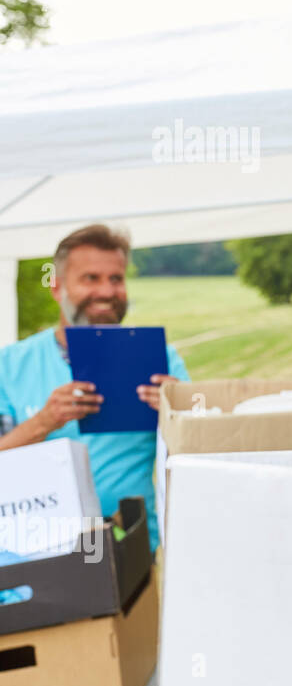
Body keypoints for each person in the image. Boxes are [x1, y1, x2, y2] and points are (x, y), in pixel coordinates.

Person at [0, 224, 187, 553]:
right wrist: (42, 423)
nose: (106, 291)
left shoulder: (160, 360)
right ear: (57, 288)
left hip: (130, 547)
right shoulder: (10, 365)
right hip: (34, 552)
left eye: (116, 279)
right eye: (90, 278)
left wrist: (179, 413)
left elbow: (196, 456)